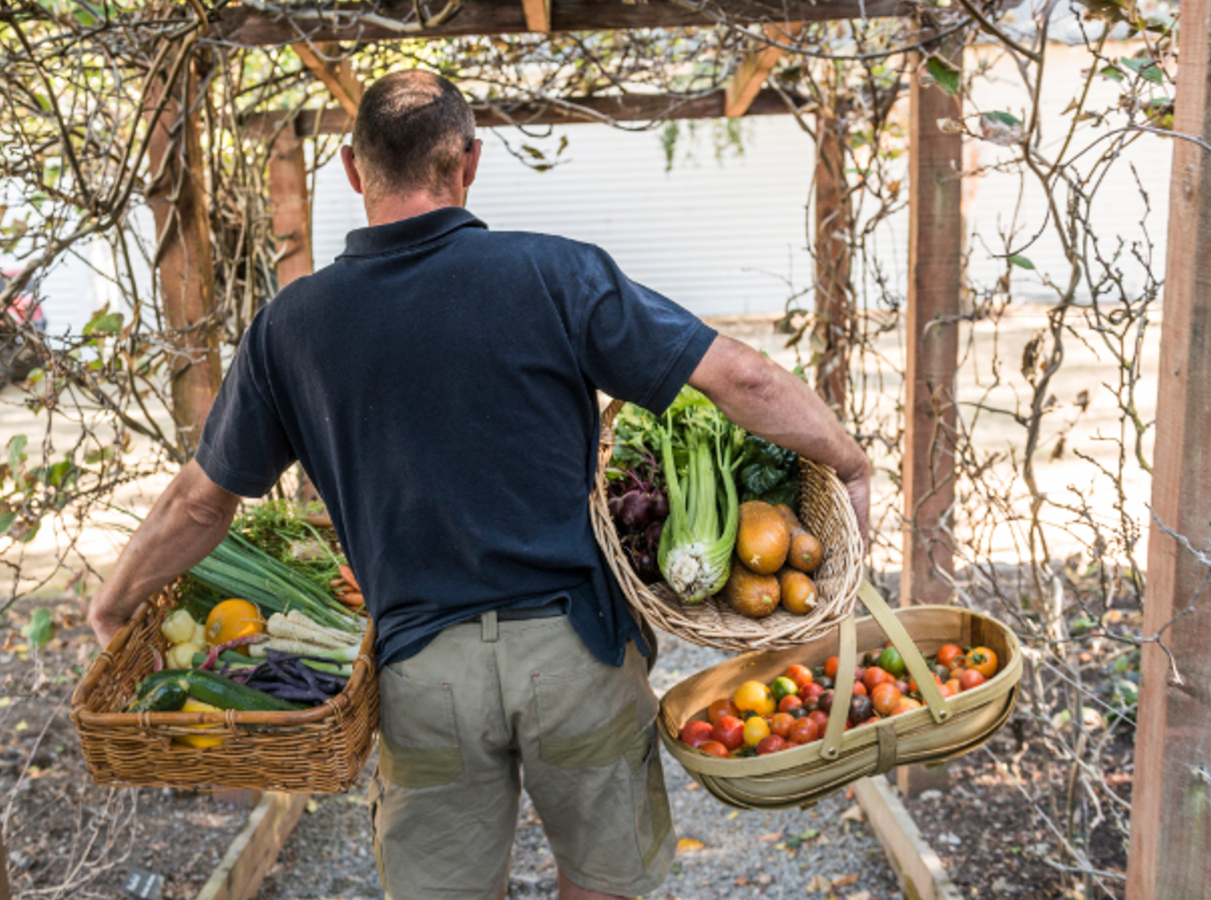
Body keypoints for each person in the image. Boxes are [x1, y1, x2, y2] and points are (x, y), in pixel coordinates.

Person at [89, 70, 870, 900]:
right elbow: (740, 377)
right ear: (468, 161)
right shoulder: (555, 275)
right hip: (579, 656)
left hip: (425, 674)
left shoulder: (293, 325)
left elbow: (201, 500)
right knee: (606, 883)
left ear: (354, 170)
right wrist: (850, 462)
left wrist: (115, 602)